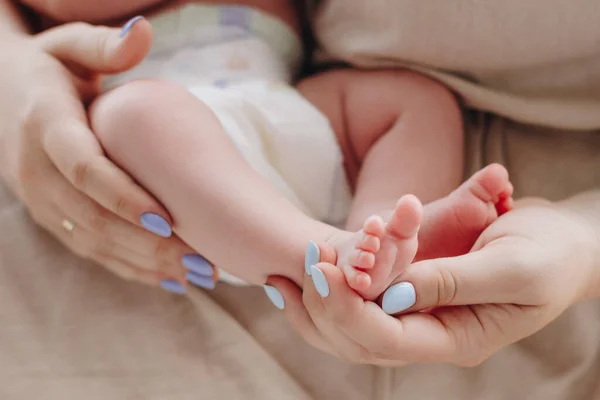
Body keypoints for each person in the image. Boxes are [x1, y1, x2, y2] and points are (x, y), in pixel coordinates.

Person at [1, 0, 599, 398]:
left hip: (291, 107)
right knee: (135, 113)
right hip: (182, 161)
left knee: (414, 100)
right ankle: (318, 251)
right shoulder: (57, 33)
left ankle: (390, 232)